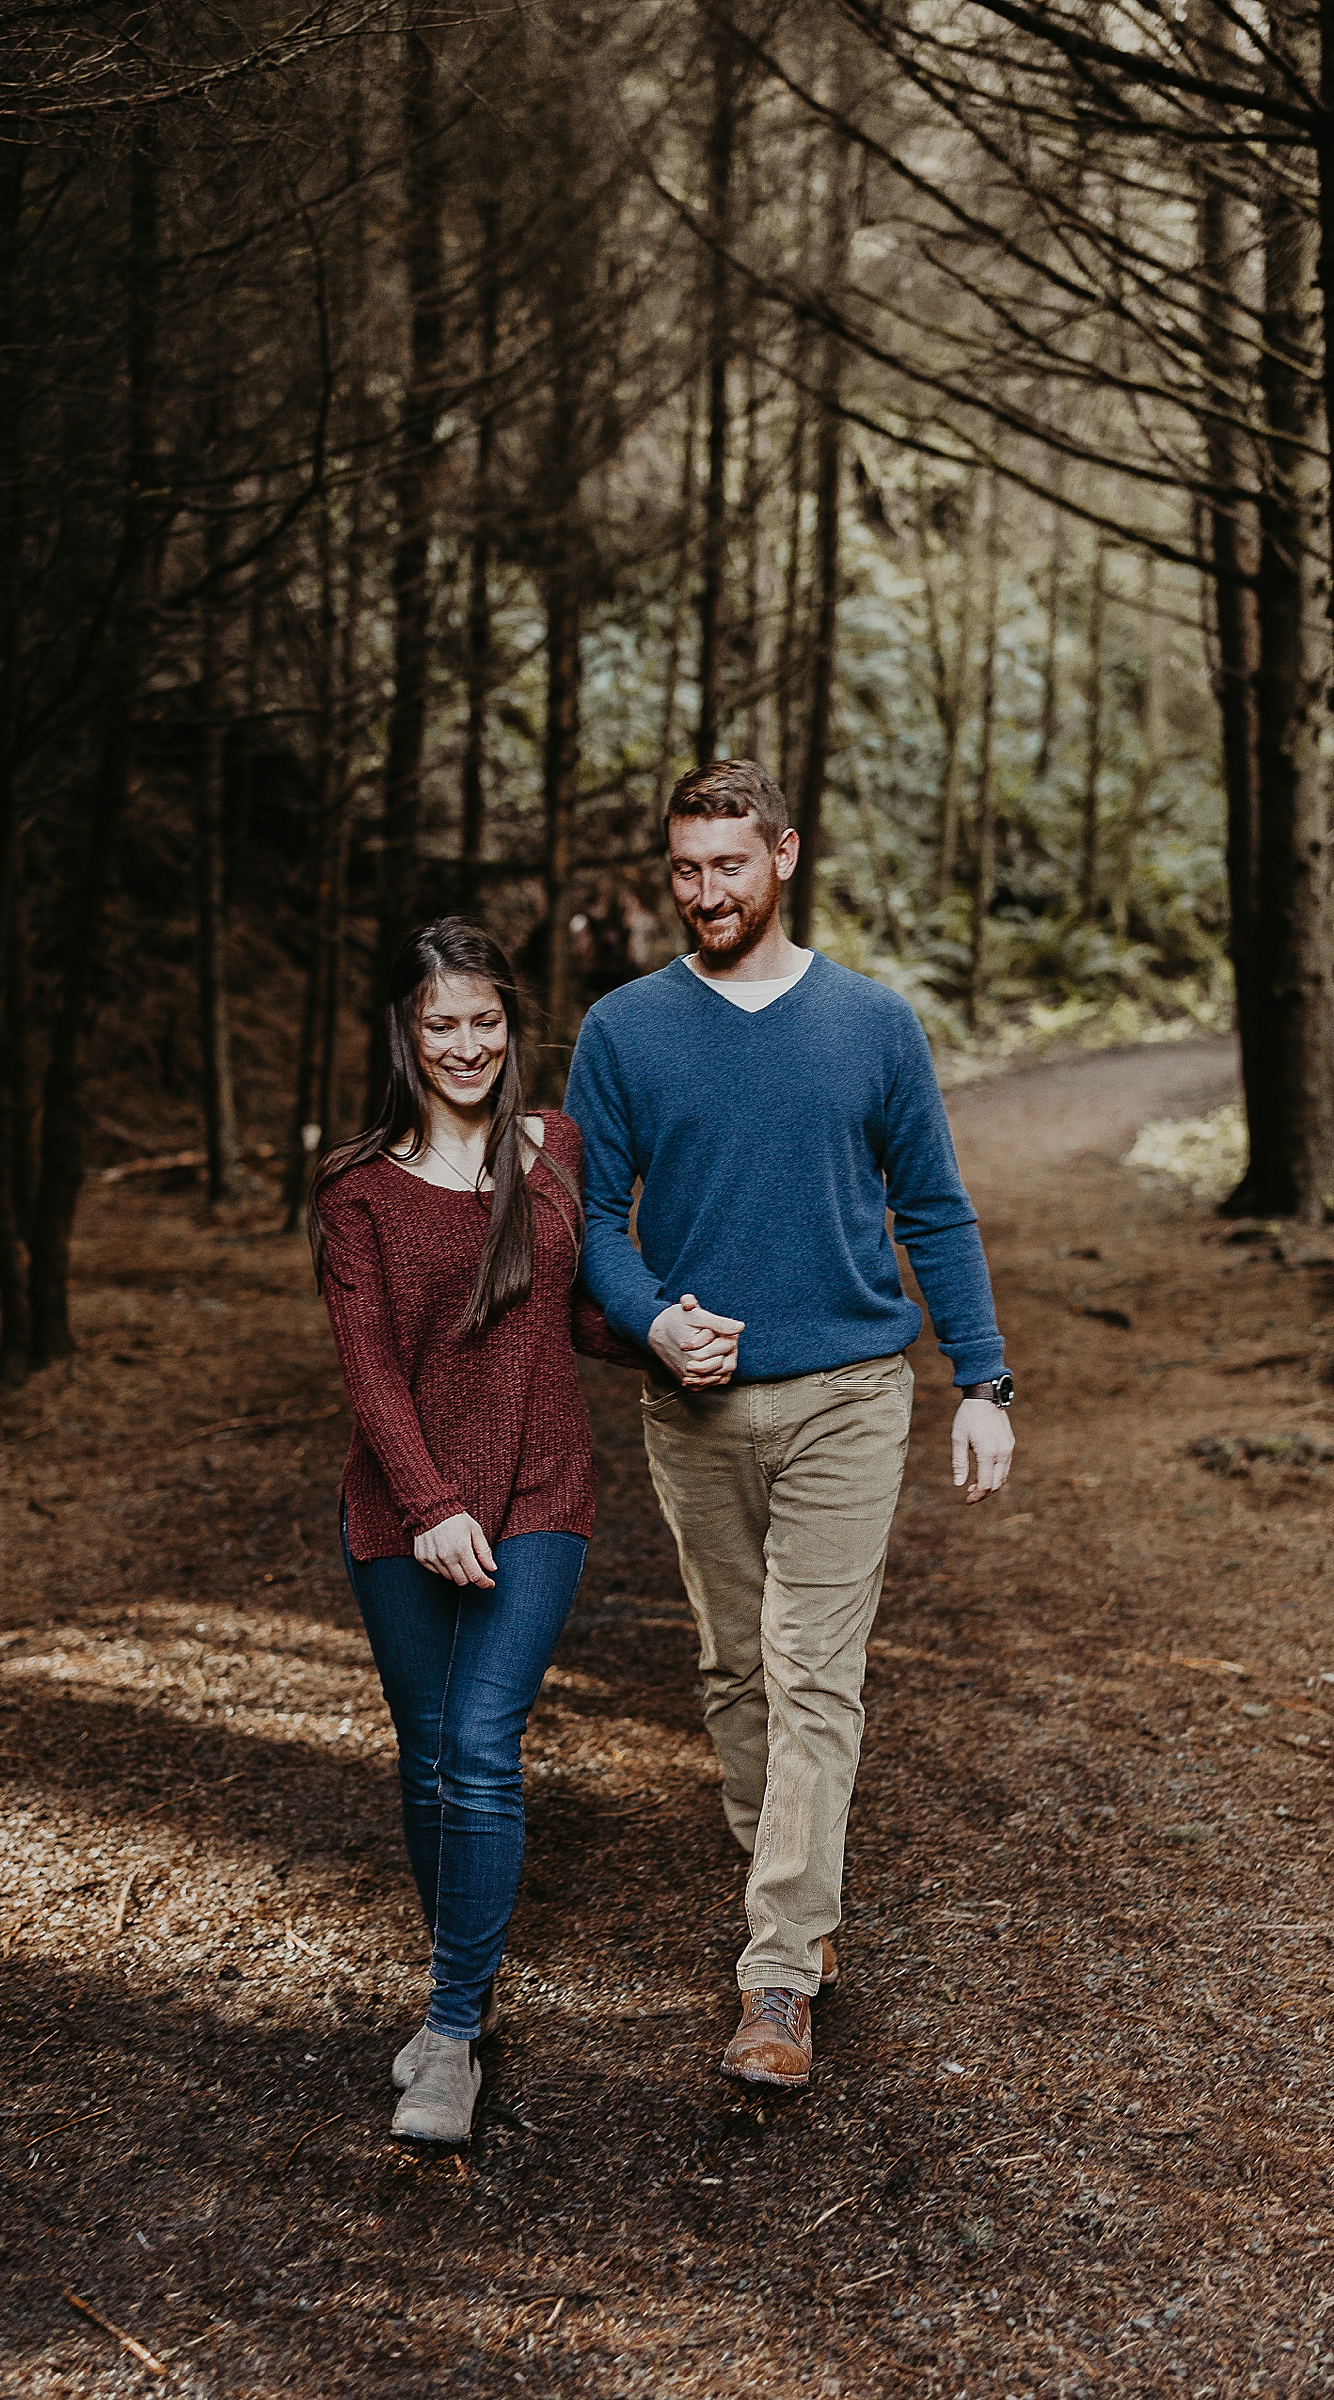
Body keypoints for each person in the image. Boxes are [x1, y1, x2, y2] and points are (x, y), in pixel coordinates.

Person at [564, 758, 1015, 2090]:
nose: (706, 892)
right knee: (734, 1671)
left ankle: (776, 1972)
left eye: (729, 866)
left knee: (814, 1671)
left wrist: (980, 1381)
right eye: (685, 870)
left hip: (850, 1396)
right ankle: (799, 1894)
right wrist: (649, 1317)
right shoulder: (625, 1031)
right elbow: (587, 1214)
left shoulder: (872, 1023)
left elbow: (933, 1206)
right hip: (692, 1406)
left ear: (785, 857)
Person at [308, 917, 639, 2144]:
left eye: (485, 1024)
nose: (465, 1047)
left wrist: (669, 1332)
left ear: (511, 1025)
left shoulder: (553, 1150)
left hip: (542, 1491)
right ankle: (462, 1978)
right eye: (439, 1025)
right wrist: (431, 1504)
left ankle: (452, 2033)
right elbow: (372, 1375)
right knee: (430, 1750)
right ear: (404, 1032)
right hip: (401, 1510)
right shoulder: (357, 1190)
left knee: (485, 1744)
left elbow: (579, 1313)